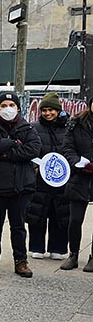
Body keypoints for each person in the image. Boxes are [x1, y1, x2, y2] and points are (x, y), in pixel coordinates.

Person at [0, 92, 41, 277]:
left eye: (11, 105)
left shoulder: (27, 128)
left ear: (18, 108)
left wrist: (4, 154)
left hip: (22, 187)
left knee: (19, 226)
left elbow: (33, 149)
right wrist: (12, 143)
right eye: (4, 105)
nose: (8, 109)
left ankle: (20, 261)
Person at [28, 93, 70, 260]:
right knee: (37, 212)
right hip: (40, 179)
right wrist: (34, 166)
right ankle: (36, 247)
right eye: (44, 110)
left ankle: (58, 248)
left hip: (62, 179)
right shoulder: (33, 127)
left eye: (51, 110)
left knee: (60, 214)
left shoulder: (69, 127)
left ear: (58, 110)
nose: (47, 113)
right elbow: (29, 150)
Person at [61, 96, 93, 271]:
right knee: (75, 220)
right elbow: (67, 148)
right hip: (79, 177)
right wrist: (78, 163)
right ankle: (73, 254)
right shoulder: (76, 123)